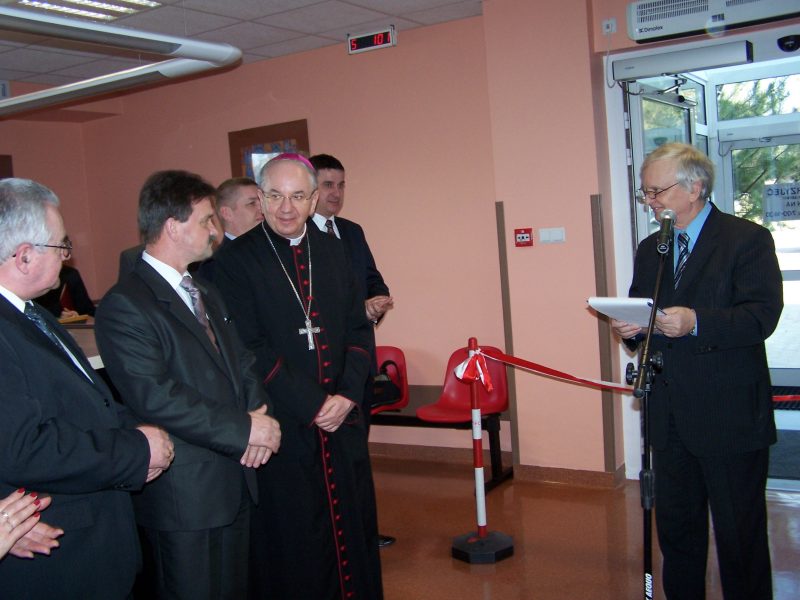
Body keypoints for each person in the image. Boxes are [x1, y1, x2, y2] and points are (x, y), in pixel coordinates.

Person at [95, 170, 282, 600]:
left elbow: (242, 362)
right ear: (173, 227)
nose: (215, 231)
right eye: (205, 220)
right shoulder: (126, 304)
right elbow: (156, 396)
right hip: (186, 493)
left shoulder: (204, 290)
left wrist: (258, 420)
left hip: (234, 475)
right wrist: (244, 429)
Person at [611, 143, 783, 600]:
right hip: (669, 417)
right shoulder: (652, 248)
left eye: (658, 191)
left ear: (695, 187)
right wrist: (630, 328)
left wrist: (697, 322)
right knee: (678, 534)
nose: (650, 202)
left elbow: (761, 316)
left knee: (739, 538)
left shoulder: (746, 239)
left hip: (729, 415)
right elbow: (643, 311)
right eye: (645, 193)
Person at [210, 154, 383, 599]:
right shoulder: (233, 262)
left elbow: (358, 328)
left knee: (352, 527)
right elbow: (248, 347)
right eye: (275, 196)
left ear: (313, 199)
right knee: (296, 540)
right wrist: (315, 404)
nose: (286, 208)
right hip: (285, 422)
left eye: (298, 196)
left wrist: (347, 394)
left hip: (342, 419)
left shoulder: (336, 251)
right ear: (261, 199)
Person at [0, 177, 174, 598]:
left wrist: (141, 432)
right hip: (58, 560)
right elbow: (24, 447)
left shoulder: (33, 315)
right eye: (61, 245)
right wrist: (136, 450)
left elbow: (93, 401)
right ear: (24, 256)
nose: (67, 256)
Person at [309, 153, 396, 548]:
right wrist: (357, 310)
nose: (336, 193)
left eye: (341, 185)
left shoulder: (352, 232)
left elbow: (373, 279)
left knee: (358, 453)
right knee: (328, 458)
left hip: (359, 363)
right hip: (323, 365)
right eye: (328, 184)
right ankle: (332, 533)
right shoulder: (297, 238)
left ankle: (362, 532)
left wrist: (378, 300)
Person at [216, 176, 264, 241]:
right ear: (227, 213)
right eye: (252, 203)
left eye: (262, 202)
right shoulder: (229, 248)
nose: (262, 209)